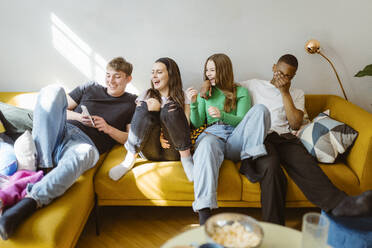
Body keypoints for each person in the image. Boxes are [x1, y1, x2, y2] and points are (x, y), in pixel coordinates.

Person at [201, 54, 372, 225]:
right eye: (280, 73)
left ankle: (338, 204)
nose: (282, 77)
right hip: (260, 138)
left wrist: (285, 93)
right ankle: (274, 224)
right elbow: (225, 86)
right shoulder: (253, 85)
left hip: (285, 138)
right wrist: (207, 84)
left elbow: (296, 124)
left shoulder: (296, 94)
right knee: (270, 166)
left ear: (293, 76)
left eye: (288, 76)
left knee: (303, 161)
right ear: (274, 68)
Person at [0, 57, 137, 240]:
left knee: (86, 154)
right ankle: (44, 165)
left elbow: (129, 138)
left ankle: (30, 202)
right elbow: (60, 109)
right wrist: (80, 118)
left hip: (83, 143)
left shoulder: (131, 103)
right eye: (108, 75)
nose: (110, 81)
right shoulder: (89, 87)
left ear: (129, 79)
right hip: (59, 129)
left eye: (117, 77)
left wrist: (108, 128)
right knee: (52, 91)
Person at [187, 53, 271, 224]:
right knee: (205, 145)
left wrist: (223, 115)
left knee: (261, 109)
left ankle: (248, 161)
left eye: (213, 70)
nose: (208, 74)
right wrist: (194, 103)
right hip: (213, 136)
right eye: (207, 70)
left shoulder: (241, 92)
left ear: (224, 71)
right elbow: (196, 123)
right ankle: (204, 211)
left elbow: (244, 120)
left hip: (236, 138)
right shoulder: (206, 93)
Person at [109, 57, 194, 181]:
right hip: (149, 148)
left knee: (171, 108)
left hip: (174, 148)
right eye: (152, 72)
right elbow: (137, 125)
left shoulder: (183, 95)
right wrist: (158, 127)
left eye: (159, 72)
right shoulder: (146, 94)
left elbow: (186, 125)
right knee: (145, 106)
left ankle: (186, 160)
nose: (154, 76)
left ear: (171, 74)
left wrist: (165, 122)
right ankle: (128, 160)